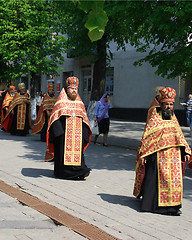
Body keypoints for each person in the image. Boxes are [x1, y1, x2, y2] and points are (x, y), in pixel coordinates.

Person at [133, 87, 191, 216]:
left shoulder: (174, 119)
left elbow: (180, 137)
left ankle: (173, 207)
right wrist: (144, 154)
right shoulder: (154, 118)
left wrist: (186, 151)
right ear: (161, 104)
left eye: (171, 104)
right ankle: (155, 206)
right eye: (166, 104)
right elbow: (148, 137)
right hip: (158, 157)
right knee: (157, 182)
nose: (169, 107)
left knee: (173, 182)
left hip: (174, 157)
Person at [45, 76, 92, 180]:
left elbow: (84, 119)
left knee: (78, 154)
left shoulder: (80, 104)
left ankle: (80, 170)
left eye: (75, 89)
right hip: (63, 136)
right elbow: (55, 118)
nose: (74, 91)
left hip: (77, 136)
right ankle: (64, 172)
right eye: (72, 88)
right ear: (67, 89)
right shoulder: (61, 102)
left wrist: (85, 134)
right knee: (62, 154)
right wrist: (59, 134)